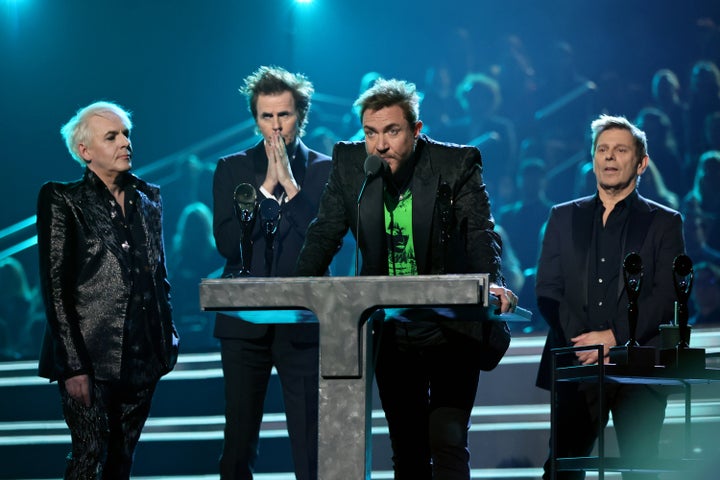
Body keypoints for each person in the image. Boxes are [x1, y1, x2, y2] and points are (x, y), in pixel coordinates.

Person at [295, 78, 518, 480]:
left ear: (416, 131)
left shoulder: (456, 164)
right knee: (408, 449)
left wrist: (492, 283)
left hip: (451, 326)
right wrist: (299, 288)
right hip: (392, 331)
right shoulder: (350, 165)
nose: (380, 144)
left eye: (392, 131)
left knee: (447, 441)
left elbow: (480, 233)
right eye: (371, 132)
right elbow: (325, 231)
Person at [535, 114, 686, 479]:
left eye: (620, 150)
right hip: (577, 363)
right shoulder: (562, 217)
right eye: (602, 149)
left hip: (639, 366)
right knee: (563, 468)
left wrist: (615, 336)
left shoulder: (665, 222)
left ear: (641, 162)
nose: (609, 157)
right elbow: (547, 290)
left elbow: (667, 295)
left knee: (641, 467)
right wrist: (583, 344)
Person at [36, 101, 179, 479]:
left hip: (144, 356)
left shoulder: (149, 198)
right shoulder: (64, 200)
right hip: (90, 357)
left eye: (126, 134)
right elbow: (55, 288)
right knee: (90, 457)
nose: (124, 143)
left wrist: (168, 339)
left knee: (122, 460)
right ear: (85, 151)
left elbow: (158, 273)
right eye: (111, 136)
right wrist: (73, 365)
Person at [212, 65, 331, 480]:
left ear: (301, 115)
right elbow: (228, 245)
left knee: (311, 443)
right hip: (245, 324)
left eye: (285, 115)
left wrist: (292, 189)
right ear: (255, 118)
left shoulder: (325, 170)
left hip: (303, 321)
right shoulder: (232, 168)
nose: (276, 126)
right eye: (267, 116)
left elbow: (323, 245)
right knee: (238, 443)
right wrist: (265, 188)